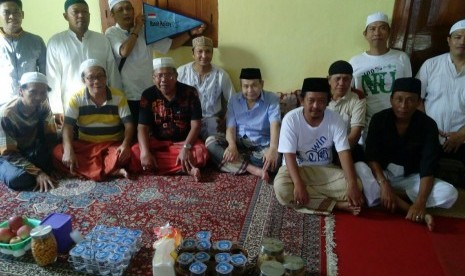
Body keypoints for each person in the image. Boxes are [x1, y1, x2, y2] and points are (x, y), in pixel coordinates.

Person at [355, 77, 458, 231]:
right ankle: (400, 202)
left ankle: (388, 197)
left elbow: (428, 166)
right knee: (359, 167)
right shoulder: (379, 119)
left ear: (418, 102)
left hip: (410, 178)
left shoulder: (428, 125)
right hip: (383, 175)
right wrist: (384, 184)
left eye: (410, 100)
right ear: (391, 100)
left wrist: (421, 203)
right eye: (399, 99)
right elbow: (372, 156)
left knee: (450, 193)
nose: (403, 105)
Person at [105, 0, 206, 125]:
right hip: (126, 94)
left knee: (151, 132)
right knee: (132, 134)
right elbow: (124, 51)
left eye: (128, 8)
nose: (126, 13)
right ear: (113, 15)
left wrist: (191, 33)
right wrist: (137, 28)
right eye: (120, 10)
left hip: (148, 92)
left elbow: (171, 45)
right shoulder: (112, 32)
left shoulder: (145, 31)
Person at [274, 78, 365, 215]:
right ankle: (336, 205)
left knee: (357, 185)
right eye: (311, 100)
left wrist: (352, 184)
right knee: (282, 189)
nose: (316, 106)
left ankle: (312, 201)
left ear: (328, 101)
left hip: (325, 171)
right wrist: (298, 184)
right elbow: (289, 155)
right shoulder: (291, 119)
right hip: (296, 169)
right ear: (302, 100)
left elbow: (344, 152)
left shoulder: (335, 119)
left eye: (321, 101)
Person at [52, 59, 134, 181]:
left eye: (100, 76)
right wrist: (68, 149)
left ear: (106, 77)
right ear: (83, 80)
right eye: (91, 77)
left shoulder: (118, 96)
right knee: (58, 152)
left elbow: (129, 125)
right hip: (86, 146)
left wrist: (125, 144)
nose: (96, 81)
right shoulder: (76, 98)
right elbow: (68, 126)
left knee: (130, 154)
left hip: (112, 145)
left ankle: (88, 171)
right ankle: (110, 170)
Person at [129, 57, 209, 181]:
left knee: (201, 153)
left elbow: (196, 125)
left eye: (169, 75)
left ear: (176, 76)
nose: (164, 80)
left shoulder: (190, 92)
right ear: (153, 78)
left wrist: (186, 148)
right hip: (158, 142)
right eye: (159, 76)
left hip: (184, 141)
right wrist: (145, 152)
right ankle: (185, 167)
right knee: (135, 152)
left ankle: (158, 166)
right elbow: (142, 127)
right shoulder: (148, 95)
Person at [46, 0, 122, 128]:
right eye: (76, 12)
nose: (81, 15)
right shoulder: (56, 42)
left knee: (103, 142)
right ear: (65, 16)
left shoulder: (102, 40)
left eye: (85, 12)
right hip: (70, 109)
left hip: (102, 107)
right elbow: (53, 78)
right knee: (75, 145)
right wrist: (57, 109)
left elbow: (112, 72)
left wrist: (118, 102)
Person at [205, 68, 280, 183]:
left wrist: (273, 148)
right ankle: (253, 169)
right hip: (239, 145)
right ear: (241, 86)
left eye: (254, 85)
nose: (250, 90)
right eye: (245, 86)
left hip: (261, 148)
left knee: (276, 160)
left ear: (262, 84)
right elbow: (230, 127)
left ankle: (235, 164)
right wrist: (231, 145)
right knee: (210, 142)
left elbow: (275, 124)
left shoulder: (272, 99)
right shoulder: (234, 100)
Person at [350, 12, 412, 142]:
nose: (377, 32)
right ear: (365, 34)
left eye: (382, 28)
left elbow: (409, 91)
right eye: (372, 28)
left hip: (396, 122)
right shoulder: (355, 62)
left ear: (389, 32)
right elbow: (349, 95)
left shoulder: (401, 58)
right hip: (366, 124)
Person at [416, 19, 465, 165]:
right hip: (428, 137)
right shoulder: (431, 65)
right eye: (458, 37)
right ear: (449, 40)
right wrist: (429, 128)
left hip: (462, 142)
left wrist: (461, 135)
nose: (462, 42)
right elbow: (416, 99)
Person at [0, 72, 57, 192]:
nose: (39, 97)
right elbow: (9, 153)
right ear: (21, 91)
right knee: (17, 179)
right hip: (9, 154)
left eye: (43, 93)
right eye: (33, 92)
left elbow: (50, 136)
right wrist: (38, 173)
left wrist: (53, 163)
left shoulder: (43, 104)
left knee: (61, 154)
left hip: (31, 149)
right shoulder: (6, 114)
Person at [178, 36, 235, 139]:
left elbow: (233, 101)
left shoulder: (221, 75)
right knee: (186, 148)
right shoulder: (181, 72)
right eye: (199, 51)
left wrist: (225, 120)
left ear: (212, 54)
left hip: (211, 120)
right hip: (187, 120)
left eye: (208, 52)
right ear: (193, 54)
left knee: (215, 146)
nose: (204, 56)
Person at [0, 0, 46, 106]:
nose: (12, 16)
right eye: (6, 12)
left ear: (23, 14)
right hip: (2, 104)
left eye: (16, 11)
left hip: (33, 104)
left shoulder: (36, 41)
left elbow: (45, 74)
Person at [326, 60, 366, 162]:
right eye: (337, 79)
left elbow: (355, 134)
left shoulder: (358, 97)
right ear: (329, 80)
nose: (341, 83)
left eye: (346, 79)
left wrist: (340, 156)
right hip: (321, 147)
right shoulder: (319, 95)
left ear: (351, 80)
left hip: (347, 146)